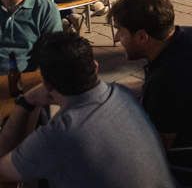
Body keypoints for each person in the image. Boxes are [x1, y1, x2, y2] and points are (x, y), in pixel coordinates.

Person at [0, 32, 176, 187]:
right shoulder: (122, 95)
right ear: (96, 67)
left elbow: (4, 172)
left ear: (46, 83)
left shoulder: (60, 134)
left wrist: (26, 101)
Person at [111, 0, 192, 186]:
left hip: (183, 170)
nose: (116, 38)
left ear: (142, 37)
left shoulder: (166, 82)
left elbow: (156, 151)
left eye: (120, 31)